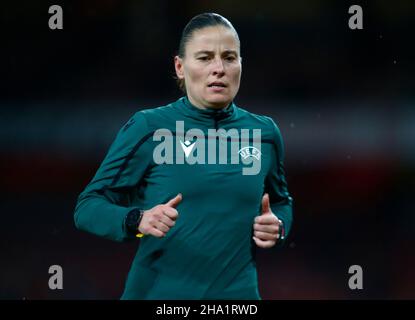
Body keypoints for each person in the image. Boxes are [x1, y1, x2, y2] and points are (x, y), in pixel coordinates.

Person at [74, 12, 293, 300]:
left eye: (229, 57)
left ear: (241, 65)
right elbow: (87, 207)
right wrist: (136, 219)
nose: (219, 68)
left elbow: (280, 202)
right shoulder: (149, 128)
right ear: (180, 66)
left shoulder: (264, 134)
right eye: (204, 58)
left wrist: (277, 227)